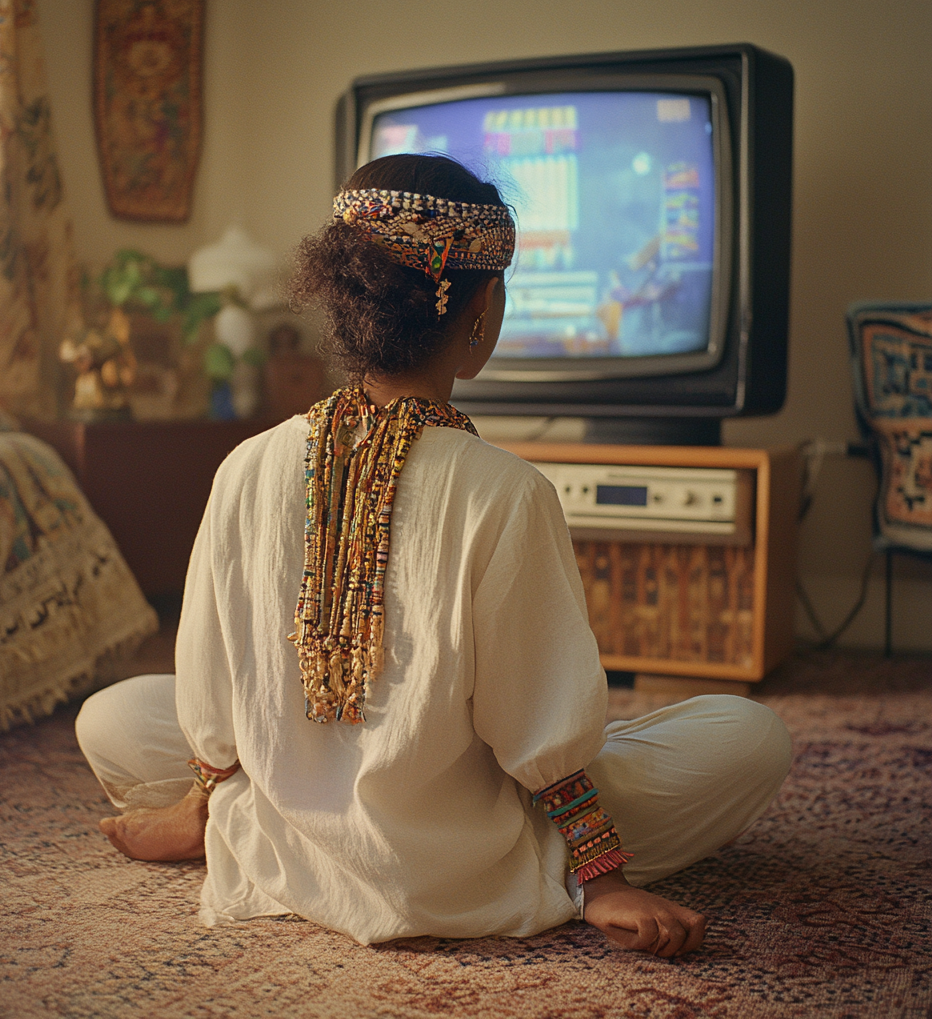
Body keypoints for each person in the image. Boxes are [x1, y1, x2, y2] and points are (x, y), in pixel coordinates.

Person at [76, 154, 792, 955]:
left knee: (109, 717)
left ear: (341, 298)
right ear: (482, 309)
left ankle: (218, 821)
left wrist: (197, 805)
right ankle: (550, 858)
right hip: (460, 859)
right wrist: (605, 877)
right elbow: (538, 731)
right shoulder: (506, 490)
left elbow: (212, 697)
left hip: (284, 835)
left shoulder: (249, 464)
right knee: (750, 734)